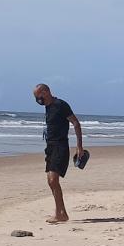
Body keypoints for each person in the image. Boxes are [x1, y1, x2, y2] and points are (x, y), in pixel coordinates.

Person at [34, 83, 84, 223]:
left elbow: (76, 123)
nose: (37, 100)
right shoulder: (48, 107)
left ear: (45, 92)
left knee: (53, 180)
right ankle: (61, 213)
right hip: (50, 147)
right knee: (51, 181)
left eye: (38, 96)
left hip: (60, 146)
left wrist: (79, 146)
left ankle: (60, 214)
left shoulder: (60, 105)